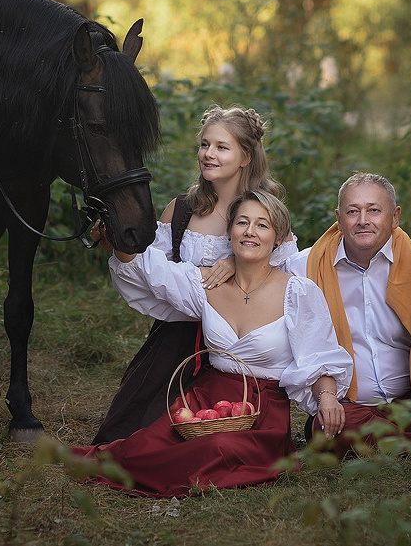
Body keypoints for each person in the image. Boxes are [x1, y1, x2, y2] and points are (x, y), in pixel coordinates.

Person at [71, 190, 353, 497]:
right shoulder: (205, 284)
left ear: (278, 237)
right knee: (144, 444)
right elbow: (152, 273)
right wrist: (116, 238)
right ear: (230, 232)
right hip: (205, 398)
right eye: (242, 222)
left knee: (218, 448)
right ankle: (120, 463)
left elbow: (318, 352)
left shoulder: (297, 291)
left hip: (261, 411)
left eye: (262, 225)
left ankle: (166, 472)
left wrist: (327, 397)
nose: (249, 231)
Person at [92, 104, 297, 444]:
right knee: (132, 432)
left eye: (221, 147)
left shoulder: (263, 213)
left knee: (216, 437)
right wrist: (113, 243)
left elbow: (286, 281)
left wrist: (238, 261)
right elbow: (150, 271)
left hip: (238, 348)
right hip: (176, 341)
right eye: (204, 145)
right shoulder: (183, 208)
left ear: (246, 156)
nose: (208, 154)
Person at [286, 172, 411, 455]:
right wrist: (230, 263)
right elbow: (257, 273)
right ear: (339, 219)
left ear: (395, 216)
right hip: (351, 408)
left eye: (374, 210)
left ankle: (395, 443)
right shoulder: (303, 268)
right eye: (353, 212)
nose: (363, 220)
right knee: (332, 425)